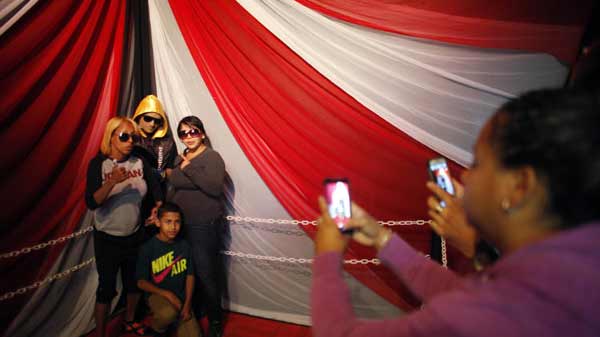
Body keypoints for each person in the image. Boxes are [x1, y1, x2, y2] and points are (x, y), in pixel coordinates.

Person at [311, 88, 600, 337]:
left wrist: (328, 255)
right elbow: (463, 291)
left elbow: (340, 333)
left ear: (519, 187)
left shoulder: (488, 316)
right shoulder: (570, 269)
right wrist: (382, 238)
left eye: (477, 163)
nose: (465, 179)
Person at [85, 116, 163, 337]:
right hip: (108, 238)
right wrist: (111, 182)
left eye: (133, 137)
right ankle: (100, 333)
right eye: (124, 136)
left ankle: (129, 320)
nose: (130, 141)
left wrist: (157, 207)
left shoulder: (138, 161)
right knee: (106, 289)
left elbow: (154, 185)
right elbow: (91, 202)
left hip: (135, 235)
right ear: (111, 137)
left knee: (134, 282)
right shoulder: (99, 164)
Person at [166, 116, 226, 337]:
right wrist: (163, 210)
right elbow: (173, 186)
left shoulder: (212, 157)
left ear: (201, 133)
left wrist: (187, 169)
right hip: (180, 224)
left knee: (207, 274)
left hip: (203, 225)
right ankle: (195, 310)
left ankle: (216, 322)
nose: (188, 137)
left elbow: (214, 187)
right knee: (188, 272)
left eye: (193, 132)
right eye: (183, 133)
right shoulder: (180, 157)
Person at [136, 203, 201, 337]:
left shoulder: (185, 246)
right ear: (158, 223)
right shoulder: (148, 248)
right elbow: (140, 282)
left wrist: (188, 304)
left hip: (181, 299)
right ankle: (156, 330)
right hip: (158, 296)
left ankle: (173, 324)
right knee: (167, 314)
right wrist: (167, 294)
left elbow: (190, 276)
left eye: (177, 222)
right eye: (168, 222)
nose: (173, 227)